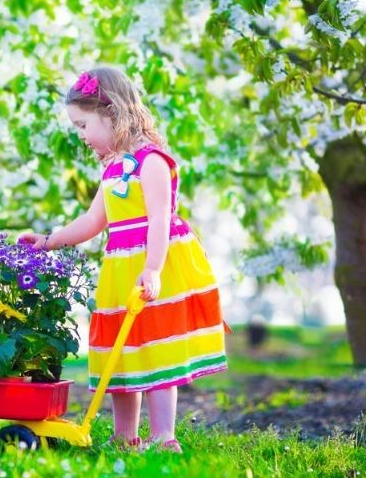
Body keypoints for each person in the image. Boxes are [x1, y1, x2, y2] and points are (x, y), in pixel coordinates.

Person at [20, 67, 227, 453]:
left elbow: (161, 219)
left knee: (155, 345)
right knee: (120, 351)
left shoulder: (152, 161)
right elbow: (92, 221)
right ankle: (124, 434)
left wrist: (152, 268)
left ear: (111, 112)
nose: (81, 137)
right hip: (119, 268)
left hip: (153, 265)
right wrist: (49, 241)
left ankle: (164, 435)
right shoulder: (113, 169)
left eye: (83, 126)